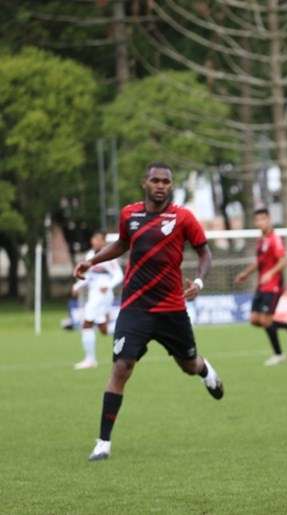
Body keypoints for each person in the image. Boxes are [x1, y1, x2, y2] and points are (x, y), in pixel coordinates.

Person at [73, 162, 224, 462]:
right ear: (145, 182)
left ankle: (206, 371)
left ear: (171, 185)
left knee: (188, 365)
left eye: (165, 181)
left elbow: (204, 252)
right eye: (154, 180)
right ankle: (103, 442)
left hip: (171, 308)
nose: (160, 185)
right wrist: (92, 261)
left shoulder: (183, 217)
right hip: (135, 307)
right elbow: (121, 245)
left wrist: (198, 280)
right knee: (121, 368)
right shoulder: (130, 214)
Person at [234, 208, 287, 366]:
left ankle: (279, 354)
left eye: (263, 219)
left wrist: (271, 273)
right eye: (257, 220)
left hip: (274, 285)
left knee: (265, 320)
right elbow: (259, 262)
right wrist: (245, 273)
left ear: (269, 219)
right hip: (262, 286)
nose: (260, 222)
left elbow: (283, 261)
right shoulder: (262, 239)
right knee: (255, 320)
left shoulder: (275, 239)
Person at [70, 230, 123, 370]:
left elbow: (119, 275)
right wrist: (77, 285)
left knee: (86, 323)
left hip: (102, 295)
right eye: (94, 239)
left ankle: (90, 359)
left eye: (99, 239)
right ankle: (125, 330)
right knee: (103, 329)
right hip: (93, 294)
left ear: (104, 241)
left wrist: (108, 285)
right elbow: (89, 277)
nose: (95, 242)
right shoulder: (89, 256)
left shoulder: (109, 256)